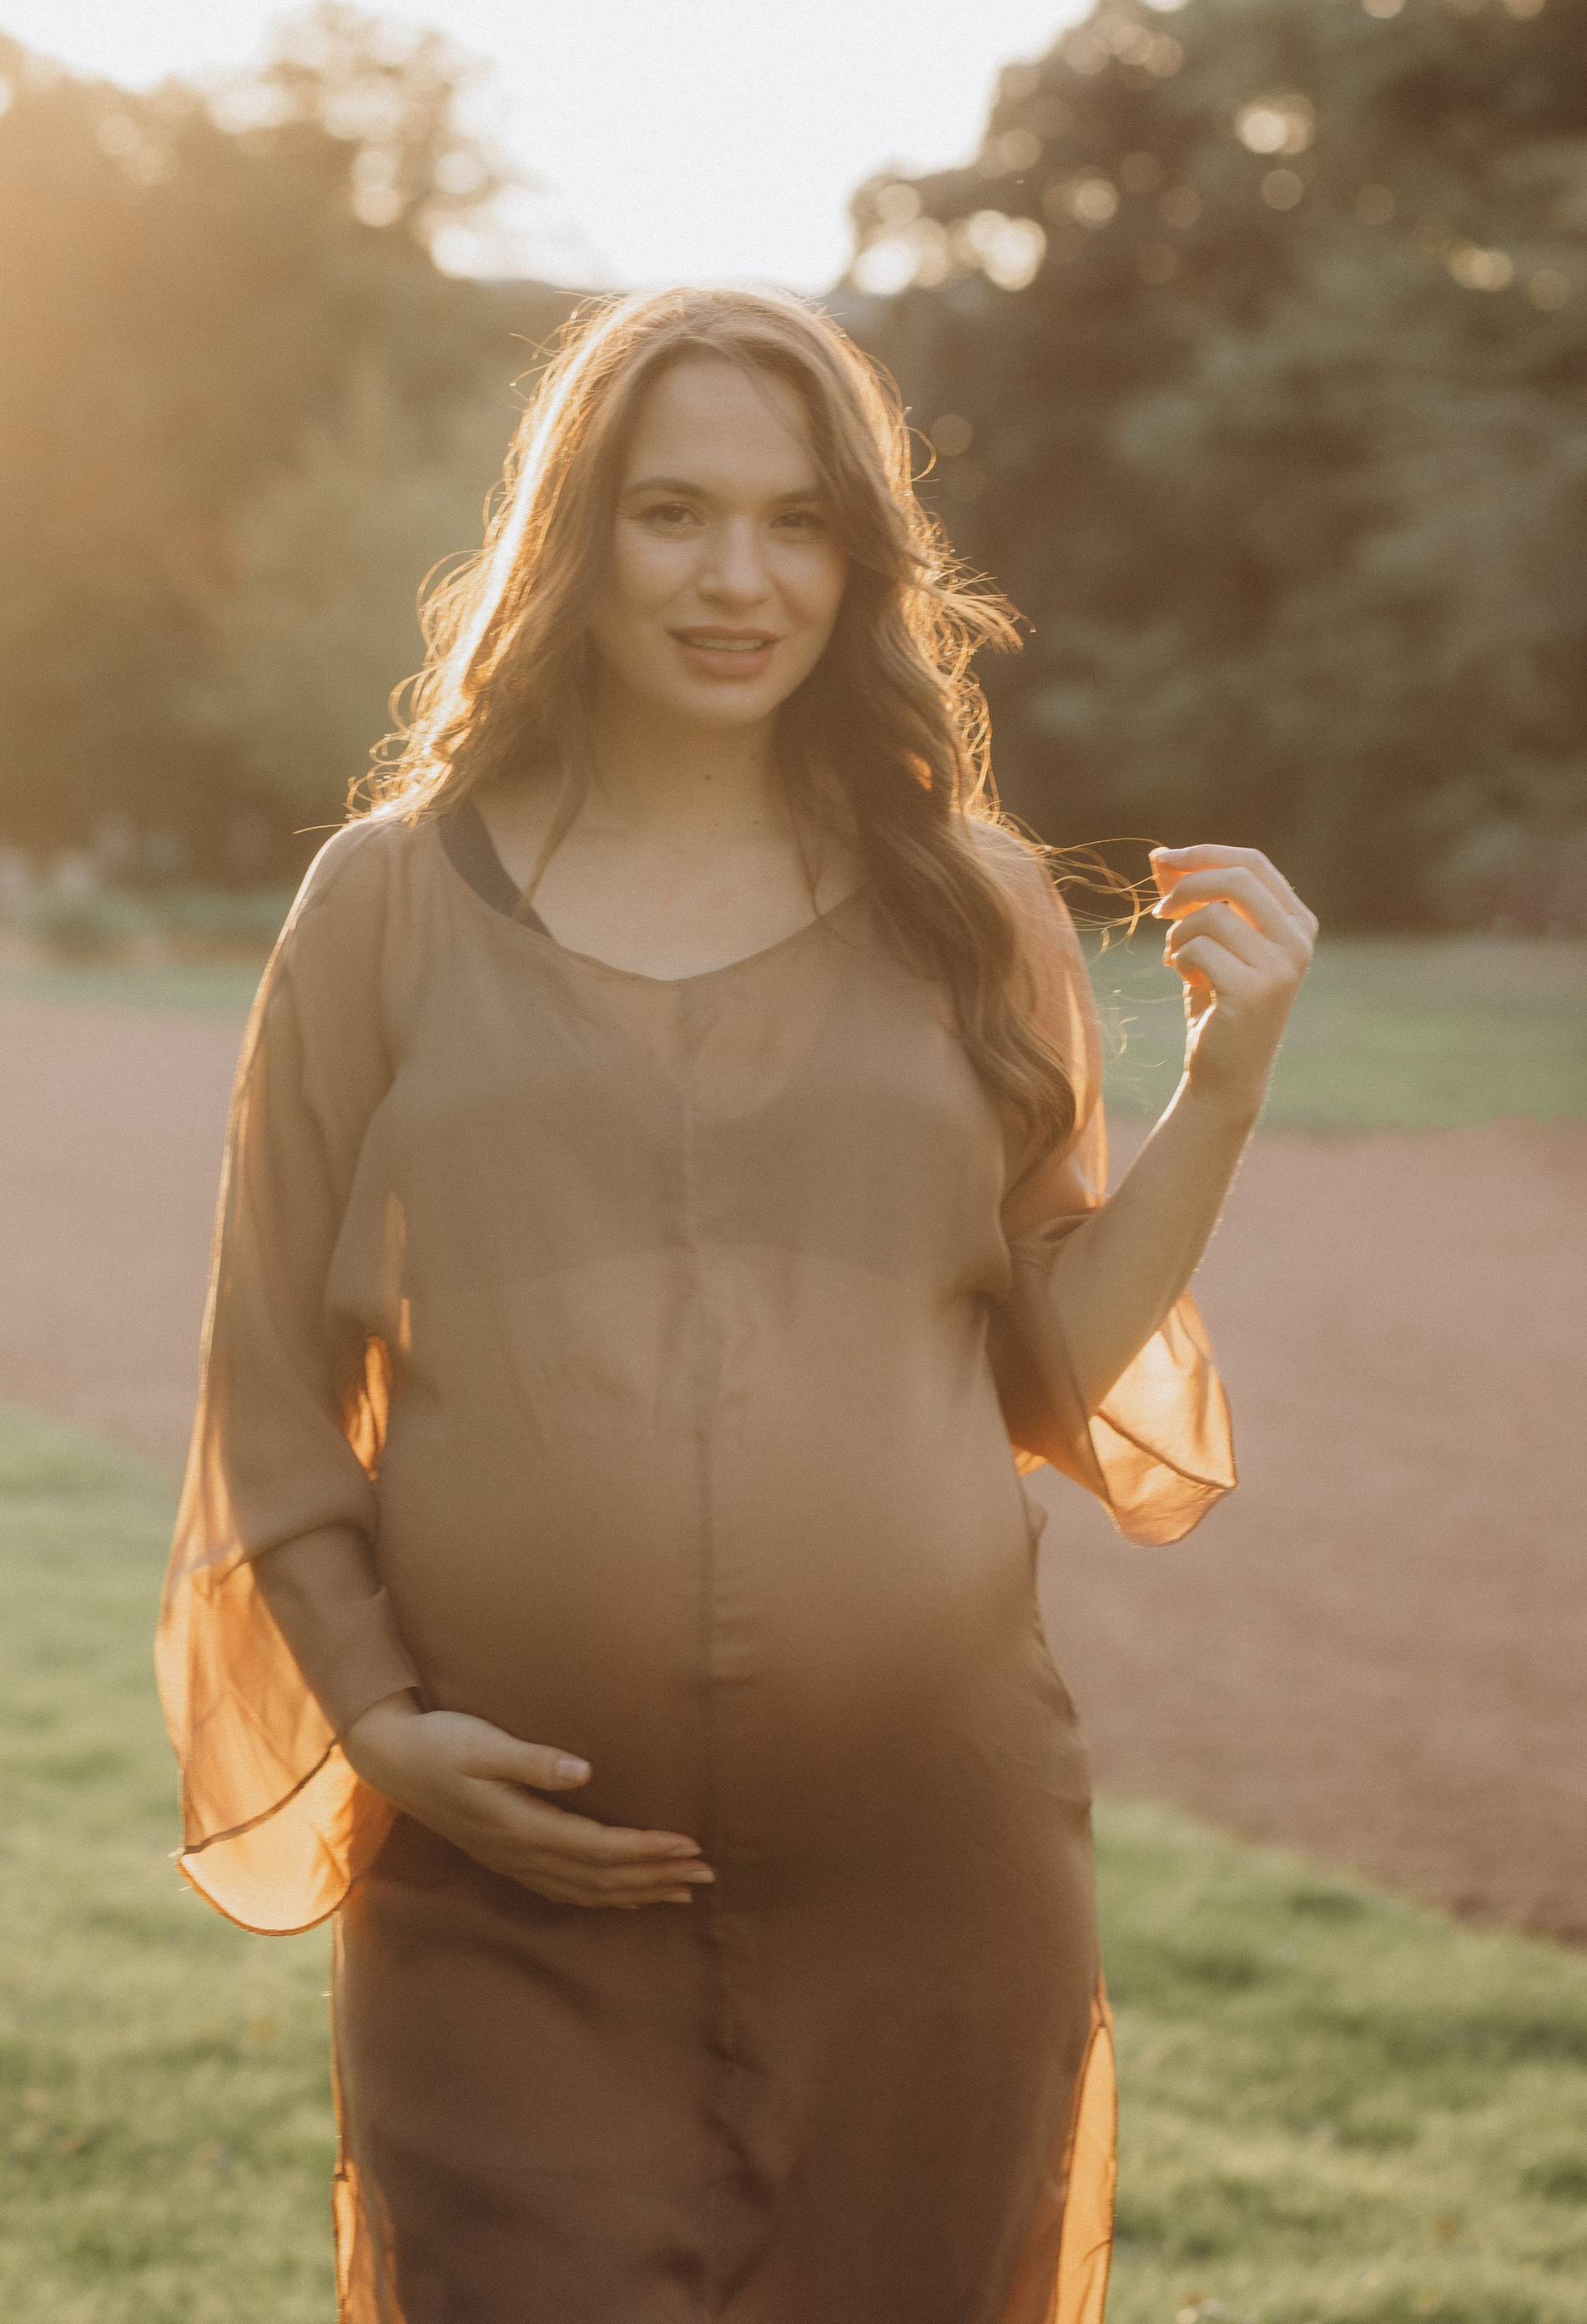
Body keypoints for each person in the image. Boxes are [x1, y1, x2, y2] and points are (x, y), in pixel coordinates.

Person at [157, 285, 1315, 2324]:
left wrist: (1223, 1085)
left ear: (859, 561)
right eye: (672, 512)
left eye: (795, 522)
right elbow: (269, 1378)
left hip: (929, 1875)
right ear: (571, 538)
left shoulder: (972, 904)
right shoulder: (388, 901)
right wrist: (380, 1722)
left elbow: (1044, 1373)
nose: (736, 576)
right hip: (498, 1887)